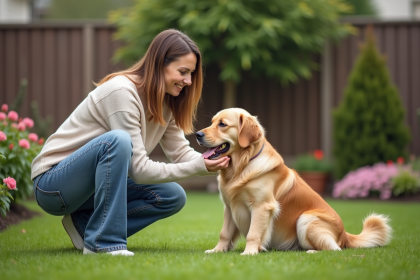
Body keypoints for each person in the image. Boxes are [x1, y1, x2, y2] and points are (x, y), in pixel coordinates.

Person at [31, 29, 230, 256]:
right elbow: (138, 169)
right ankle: (104, 242)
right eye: (183, 72)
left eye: (192, 73)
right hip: (53, 184)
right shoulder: (122, 92)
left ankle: (85, 227)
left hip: (89, 190)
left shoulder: (168, 102)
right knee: (117, 141)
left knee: (172, 196)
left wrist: (216, 160)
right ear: (159, 65)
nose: (189, 81)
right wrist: (198, 166)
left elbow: (181, 153)